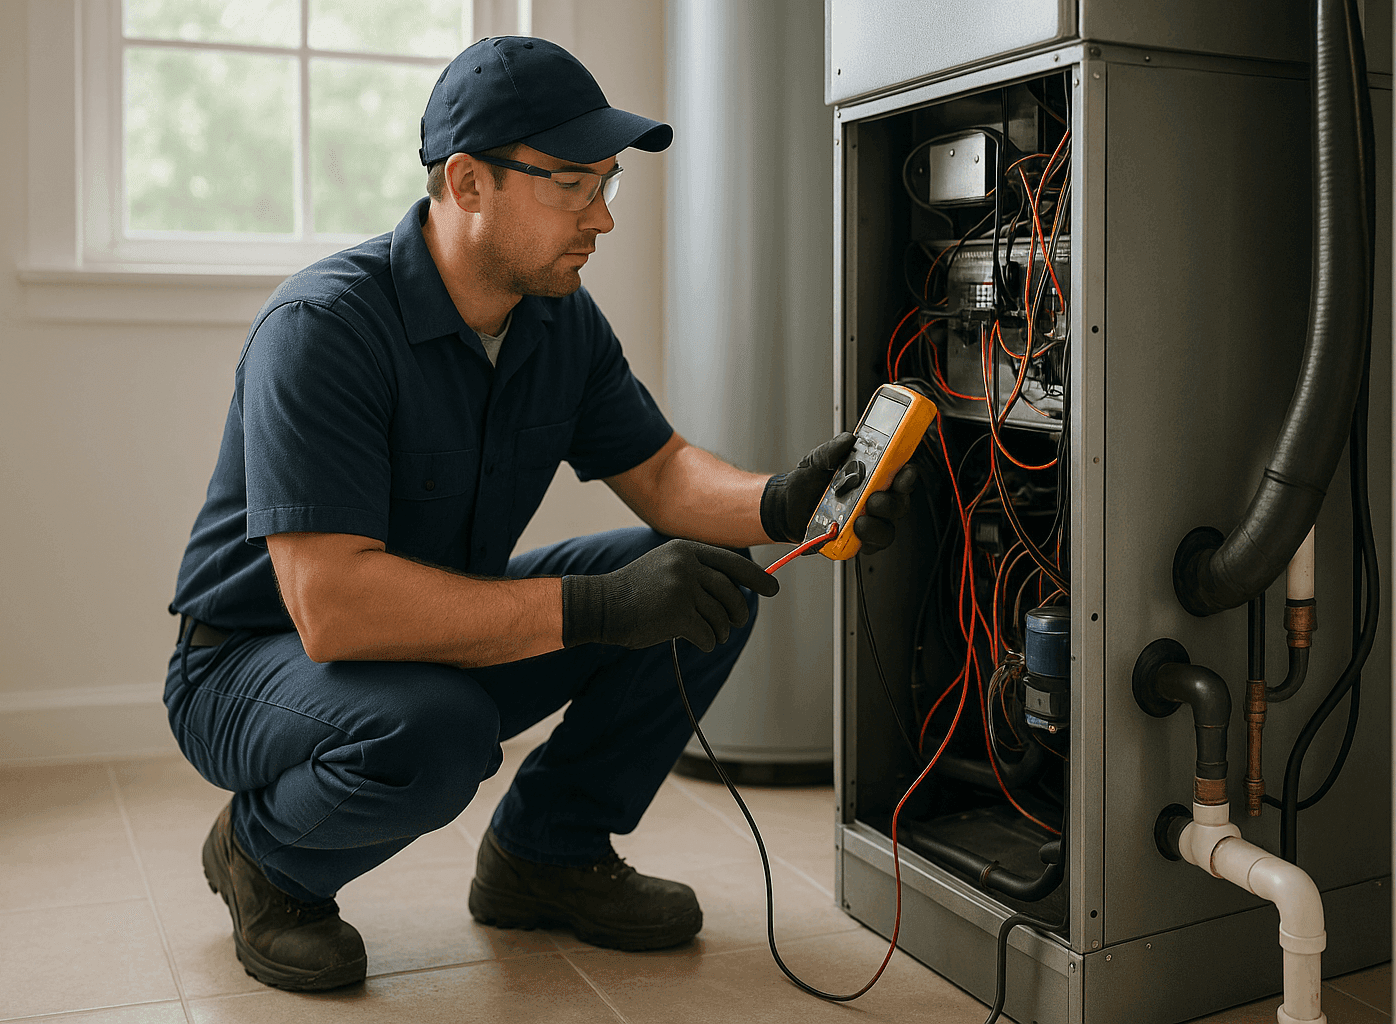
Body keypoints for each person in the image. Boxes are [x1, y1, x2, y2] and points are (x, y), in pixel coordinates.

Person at [163, 36, 916, 993]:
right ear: (467, 182)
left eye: (607, 182)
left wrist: (777, 505)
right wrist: (600, 609)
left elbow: (665, 472)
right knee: (436, 731)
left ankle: (546, 852)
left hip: (428, 630)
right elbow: (335, 607)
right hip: (251, 662)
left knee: (704, 580)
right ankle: (264, 859)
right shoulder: (322, 331)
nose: (602, 216)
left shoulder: (558, 319)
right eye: (571, 183)